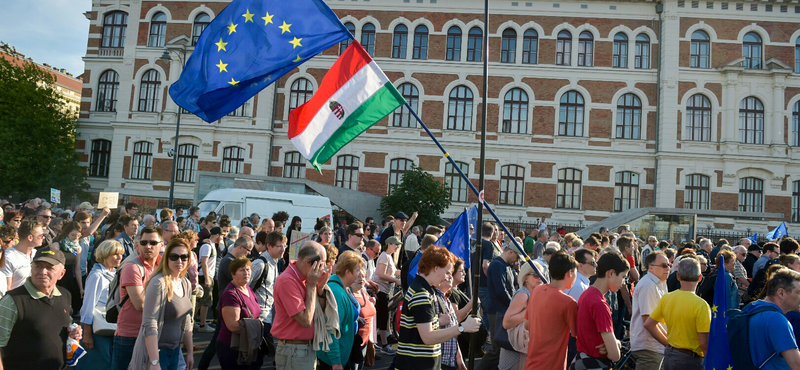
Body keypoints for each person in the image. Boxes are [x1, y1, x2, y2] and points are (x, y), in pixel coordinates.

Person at [392, 246, 481, 370]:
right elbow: (428, 337)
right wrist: (462, 327)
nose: (447, 277)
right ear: (436, 268)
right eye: (447, 272)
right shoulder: (422, 293)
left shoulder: (423, 289)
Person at [0, 248, 83, 370]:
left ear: (61, 274)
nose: (43, 272)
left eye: (50, 268)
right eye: (38, 266)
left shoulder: (64, 295)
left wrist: (74, 331)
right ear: (31, 269)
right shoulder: (13, 301)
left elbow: (66, 323)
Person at [197, 235, 255, 370]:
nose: (249, 253)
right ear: (240, 247)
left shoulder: (230, 260)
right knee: (217, 343)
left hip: (229, 306)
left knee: (217, 343)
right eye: (248, 250)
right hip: (227, 307)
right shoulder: (229, 261)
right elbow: (242, 284)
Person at [136, 237, 193, 370]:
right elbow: (149, 323)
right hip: (158, 352)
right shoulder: (158, 283)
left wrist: (189, 352)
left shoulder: (186, 283)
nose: (179, 261)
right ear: (166, 258)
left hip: (175, 351)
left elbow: (187, 320)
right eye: (174, 256)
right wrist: (154, 362)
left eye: (184, 257)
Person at [644, 258, 711, 370]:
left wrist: (668, 344)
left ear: (678, 276)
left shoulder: (667, 298)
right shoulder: (701, 305)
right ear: (700, 278)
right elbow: (704, 343)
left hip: (671, 354)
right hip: (691, 359)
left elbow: (648, 324)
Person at [112, 226, 163, 370]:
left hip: (154, 334)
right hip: (130, 336)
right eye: (144, 242)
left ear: (161, 244)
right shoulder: (132, 267)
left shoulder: (163, 266)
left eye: (153, 243)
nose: (148, 246)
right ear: (138, 244)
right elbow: (140, 304)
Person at [272, 241, 328, 370]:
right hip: (294, 350)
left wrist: (320, 289)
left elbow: (321, 313)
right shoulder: (287, 280)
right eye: (322, 263)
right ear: (310, 262)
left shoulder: (306, 277)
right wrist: (312, 286)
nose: (323, 267)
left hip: (303, 349)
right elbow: (306, 320)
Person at [572, 252, 629, 369]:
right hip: (594, 364)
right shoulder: (600, 304)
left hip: (581, 361)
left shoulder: (587, 294)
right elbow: (615, 355)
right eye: (623, 277)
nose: (623, 283)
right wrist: (615, 345)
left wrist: (612, 344)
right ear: (611, 273)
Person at [525, 250, 579, 370]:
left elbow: (526, 324)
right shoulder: (569, 302)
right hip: (552, 365)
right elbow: (578, 335)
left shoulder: (536, 291)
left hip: (532, 362)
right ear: (569, 273)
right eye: (576, 272)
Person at [78, 240, 124, 370]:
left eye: (121, 254)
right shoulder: (96, 276)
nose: (119, 257)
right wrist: (87, 333)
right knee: (99, 363)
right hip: (96, 328)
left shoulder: (114, 273)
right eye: (115, 254)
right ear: (104, 255)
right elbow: (88, 305)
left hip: (109, 325)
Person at [478, 243, 524, 370]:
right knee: (496, 348)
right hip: (497, 311)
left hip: (503, 310)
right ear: (510, 252)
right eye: (517, 256)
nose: (517, 260)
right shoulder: (497, 265)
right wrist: (513, 306)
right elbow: (501, 290)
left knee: (499, 348)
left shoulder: (506, 266)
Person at [317, 251, 364, 370]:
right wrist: (336, 362)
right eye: (357, 270)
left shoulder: (342, 287)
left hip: (340, 357)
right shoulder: (337, 292)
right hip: (332, 361)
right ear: (347, 272)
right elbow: (331, 330)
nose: (361, 273)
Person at [746, 268, 800, 369]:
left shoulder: (752, 307)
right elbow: (796, 365)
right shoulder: (776, 319)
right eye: (798, 292)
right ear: (781, 293)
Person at [216, 256, 262, 370]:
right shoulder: (230, 294)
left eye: (248, 269)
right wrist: (257, 324)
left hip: (247, 345)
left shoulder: (247, 289)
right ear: (233, 274)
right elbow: (233, 326)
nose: (246, 273)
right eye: (241, 270)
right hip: (232, 348)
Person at [499, 261, 544, 370]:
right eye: (536, 275)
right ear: (526, 278)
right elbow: (506, 322)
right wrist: (530, 311)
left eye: (542, 275)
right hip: (516, 351)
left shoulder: (533, 293)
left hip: (523, 346)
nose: (540, 278)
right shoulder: (523, 295)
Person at [630, 251, 670, 370]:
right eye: (664, 265)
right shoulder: (649, 285)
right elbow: (648, 322)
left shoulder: (659, 283)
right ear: (651, 268)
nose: (668, 268)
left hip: (654, 347)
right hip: (649, 348)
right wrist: (669, 344)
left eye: (669, 264)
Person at [435, 264, 467, 370]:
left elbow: (452, 332)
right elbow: (424, 330)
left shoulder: (446, 300)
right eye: (447, 273)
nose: (450, 277)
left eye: (451, 273)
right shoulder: (433, 299)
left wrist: (459, 357)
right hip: (440, 362)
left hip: (450, 361)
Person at [374, 236, 402, 355]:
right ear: (389, 244)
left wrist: (406, 272)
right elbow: (381, 274)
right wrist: (396, 280)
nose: (397, 247)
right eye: (395, 244)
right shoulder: (384, 256)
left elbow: (394, 271)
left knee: (385, 317)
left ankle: (383, 342)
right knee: (383, 318)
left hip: (386, 290)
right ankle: (385, 345)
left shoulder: (389, 257)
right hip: (381, 291)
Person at [51, 221, 85, 318]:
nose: (75, 238)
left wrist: (81, 287)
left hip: (70, 278)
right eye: (73, 235)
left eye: (78, 236)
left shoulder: (77, 248)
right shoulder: (57, 245)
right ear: (67, 233)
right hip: (59, 279)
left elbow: (77, 269)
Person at [2, 221, 43, 291]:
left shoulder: (37, 254)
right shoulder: (8, 257)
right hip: (15, 299)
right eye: (41, 236)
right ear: (30, 237)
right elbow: (6, 288)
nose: (43, 238)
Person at [196, 227, 221, 333]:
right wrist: (207, 278)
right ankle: (203, 324)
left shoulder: (211, 245)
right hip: (205, 275)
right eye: (222, 235)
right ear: (217, 235)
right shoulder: (207, 246)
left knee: (199, 301)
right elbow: (204, 262)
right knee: (205, 301)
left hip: (207, 275)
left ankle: (192, 321)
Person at [350, 265, 376, 370]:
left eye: (363, 276)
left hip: (365, 342)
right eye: (358, 276)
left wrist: (372, 301)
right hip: (353, 344)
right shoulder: (348, 294)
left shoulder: (363, 292)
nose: (361, 279)